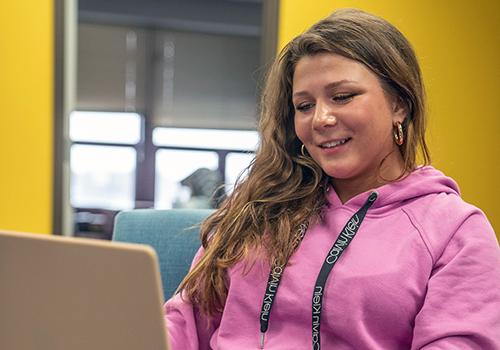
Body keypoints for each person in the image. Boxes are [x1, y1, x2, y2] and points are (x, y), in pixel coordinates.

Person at [164, 8, 500, 349]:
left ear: (399, 104)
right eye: (304, 105)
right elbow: (185, 321)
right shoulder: (257, 205)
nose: (320, 119)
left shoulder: (456, 231)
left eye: (342, 97)